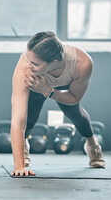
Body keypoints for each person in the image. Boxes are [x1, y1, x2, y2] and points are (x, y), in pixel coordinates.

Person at [10, 31, 105, 176]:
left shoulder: (82, 63)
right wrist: (19, 167)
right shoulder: (26, 66)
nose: (28, 65)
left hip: (62, 87)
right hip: (36, 84)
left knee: (74, 113)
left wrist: (48, 91)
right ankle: (23, 146)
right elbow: (18, 119)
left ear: (54, 62)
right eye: (28, 59)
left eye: (34, 63)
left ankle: (92, 144)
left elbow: (74, 98)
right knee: (29, 117)